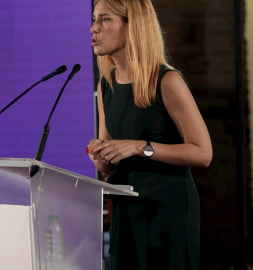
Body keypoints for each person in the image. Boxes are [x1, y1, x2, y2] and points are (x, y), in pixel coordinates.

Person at [86, 0, 213, 269]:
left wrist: (140, 147)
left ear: (133, 26)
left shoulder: (167, 81)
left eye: (105, 19)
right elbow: (108, 162)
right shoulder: (106, 86)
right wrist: (101, 157)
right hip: (127, 212)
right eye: (94, 19)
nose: (93, 28)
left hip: (167, 213)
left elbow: (203, 153)